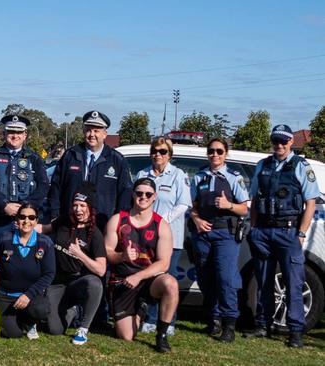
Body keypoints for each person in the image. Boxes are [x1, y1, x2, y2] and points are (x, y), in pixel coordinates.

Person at [244, 124, 320, 348]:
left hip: (288, 231)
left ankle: (295, 331)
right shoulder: (263, 165)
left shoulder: (300, 166)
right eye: (275, 141)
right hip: (264, 232)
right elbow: (255, 200)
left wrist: (301, 233)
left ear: (290, 142)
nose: (278, 145)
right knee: (264, 280)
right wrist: (254, 227)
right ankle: (262, 324)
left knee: (293, 282)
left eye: (283, 141)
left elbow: (311, 202)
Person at [105, 178, 178, 353]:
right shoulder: (118, 220)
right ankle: (141, 310)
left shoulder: (161, 225)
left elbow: (164, 263)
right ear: (133, 194)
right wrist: (121, 256)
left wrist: (139, 276)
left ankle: (161, 335)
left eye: (148, 194)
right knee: (127, 336)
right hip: (123, 281)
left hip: (148, 279)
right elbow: (107, 252)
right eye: (139, 193)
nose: (143, 197)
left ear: (155, 197)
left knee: (171, 284)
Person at [190, 138, 249, 342]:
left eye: (219, 151)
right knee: (206, 278)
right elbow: (192, 206)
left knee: (225, 279)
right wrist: (196, 220)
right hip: (203, 233)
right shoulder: (199, 177)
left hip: (226, 233)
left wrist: (228, 205)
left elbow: (244, 208)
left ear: (226, 154)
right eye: (211, 151)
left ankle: (229, 323)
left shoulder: (233, 177)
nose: (215, 155)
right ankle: (214, 319)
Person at [135, 137, 191, 335]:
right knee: (151, 278)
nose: (158, 155)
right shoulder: (143, 173)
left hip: (170, 237)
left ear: (170, 154)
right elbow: (136, 200)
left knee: (169, 281)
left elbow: (184, 204)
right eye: (155, 151)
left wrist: (161, 221)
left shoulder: (178, 175)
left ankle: (169, 322)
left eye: (163, 151)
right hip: (146, 237)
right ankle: (150, 319)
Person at [40, 183, 106, 345]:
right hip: (57, 282)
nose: (78, 209)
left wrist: (79, 254)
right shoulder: (64, 221)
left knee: (95, 283)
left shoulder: (95, 234)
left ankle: (83, 328)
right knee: (55, 330)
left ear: (90, 208)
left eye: (82, 205)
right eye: (75, 205)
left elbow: (101, 269)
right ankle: (73, 311)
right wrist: (25, 224)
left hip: (77, 281)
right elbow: (44, 228)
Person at [48, 110, 132, 232]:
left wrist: (119, 224)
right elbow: (56, 188)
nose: (92, 134)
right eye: (88, 130)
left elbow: (125, 195)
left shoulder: (117, 160)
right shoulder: (70, 155)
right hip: (69, 225)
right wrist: (55, 216)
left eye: (96, 130)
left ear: (105, 134)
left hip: (102, 227)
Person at [0, 115, 49, 238]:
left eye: (19, 132)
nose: (15, 136)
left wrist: (26, 207)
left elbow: (43, 185)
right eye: (11, 131)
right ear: (4, 133)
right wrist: (4, 205)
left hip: (26, 219)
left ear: (25, 135)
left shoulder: (34, 158)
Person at [0, 203, 55, 339]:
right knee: (13, 334)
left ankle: (30, 321)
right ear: (17, 219)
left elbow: (49, 274)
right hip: (5, 295)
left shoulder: (45, 242)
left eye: (31, 217)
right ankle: (18, 321)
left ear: (36, 221)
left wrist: (29, 294)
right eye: (22, 217)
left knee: (41, 309)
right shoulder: (3, 239)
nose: (26, 221)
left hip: (31, 297)